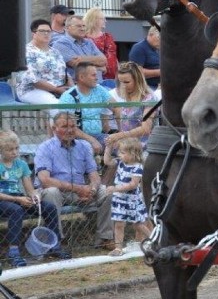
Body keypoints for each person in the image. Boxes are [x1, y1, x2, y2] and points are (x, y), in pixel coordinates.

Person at [34, 112, 114, 250]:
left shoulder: (84, 146)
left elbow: (94, 175)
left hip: (81, 191)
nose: (70, 130)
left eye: (73, 126)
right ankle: (56, 241)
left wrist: (92, 190)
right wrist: (78, 189)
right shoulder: (45, 147)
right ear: (54, 129)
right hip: (58, 192)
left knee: (107, 191)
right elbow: (44, 180)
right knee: (51, 192)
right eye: (64, 126)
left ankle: (104, 238)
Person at [1, 130, 69, 267]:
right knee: (16, 211)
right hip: (3, 199)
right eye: (10, 150)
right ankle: (13, 251)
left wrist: (34, 197)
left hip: (17, 197)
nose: (15, 152)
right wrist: (19, 200)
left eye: (16, 148)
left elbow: (30, 189)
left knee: (48, 207)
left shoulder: (21, 164)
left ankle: (54, 245)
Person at [103, 138, 150, 257]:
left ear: (133, 153)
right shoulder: (120, 162)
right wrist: (108, 147)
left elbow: (133, 184)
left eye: (123, 153)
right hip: (119, 200)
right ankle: (118, 248)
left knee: (138, 225)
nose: (119, 155)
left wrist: (115, 188)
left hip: (133, 200)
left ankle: (154, 240)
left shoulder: (137, 167)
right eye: (119, 152)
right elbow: (107, 162)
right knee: (118, 224)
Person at [58, 63, 115, 152]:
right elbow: (68, 127)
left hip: (98, 135)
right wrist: (92, 140)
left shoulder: (99, 89)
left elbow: (116, 107)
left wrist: (122, 131)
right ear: (81, 77)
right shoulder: (68, 97)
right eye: (93, 75)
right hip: (75, 138)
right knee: (88, 148)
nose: (97, 78)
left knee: (122, 145)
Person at [15, 19, 73, 105]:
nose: (46, 34)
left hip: (60, 89)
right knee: (58, 105)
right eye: (42, 31)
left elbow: (65, 73)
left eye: (49, 31)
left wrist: (71, 89)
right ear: (33, 33)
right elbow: (34, 80)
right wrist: (56, 90)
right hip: (33, 90)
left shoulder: (55, 52)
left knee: (83, 101)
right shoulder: (26, 51)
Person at [105, 61, 157, 148]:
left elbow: (146, 129)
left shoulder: (149, 98)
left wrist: (119, 135)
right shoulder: (126, 97)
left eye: (127, 82)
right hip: (128, 146)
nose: (123, 86)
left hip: (145, 147)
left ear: (137, 80)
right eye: (121, 82)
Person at [51, 14, 107, 82]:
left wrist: (82, 59)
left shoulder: (89, 42)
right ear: (67, 28)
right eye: (78, 26)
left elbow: (104, 60)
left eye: (84, 26)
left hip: (99, 85)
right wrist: (100, 68)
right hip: (78, 86)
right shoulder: (61, 44)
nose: (82, 29)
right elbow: (77, 64)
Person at [84, 7, 118, 80]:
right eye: (102, 19)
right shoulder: (83, 37)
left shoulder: (107, 37)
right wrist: (100, 67)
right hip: (92, 75)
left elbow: (113, 56)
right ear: (94, 20)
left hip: (111, 76)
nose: (105, 21)